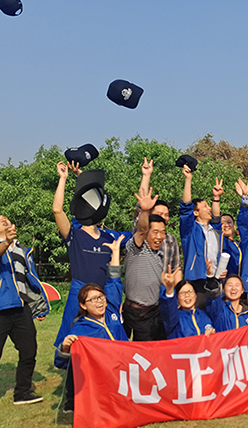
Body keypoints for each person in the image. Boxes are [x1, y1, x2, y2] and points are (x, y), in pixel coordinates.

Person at [52, 161, 131, 350]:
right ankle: (67, 365)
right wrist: (63, 178)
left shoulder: (109, 237)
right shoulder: (74, 235)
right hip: (80, 292)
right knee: (70, 339)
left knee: (109, 338)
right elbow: (57, 210)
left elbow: (137, 236)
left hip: (105, 294)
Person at [56, 236, 128, 413]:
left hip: (122, 369)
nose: (99, 302)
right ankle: (72, 401)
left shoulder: (111, 309)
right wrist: (65, 348)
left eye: (101, 297)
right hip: (100, 378)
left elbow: (114, 280)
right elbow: (60, 363)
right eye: (93, 299)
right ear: (83, 305)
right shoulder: (80, 329)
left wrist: (115, 252)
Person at [0, 215, 48, 405]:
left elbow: (29, 280)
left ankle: (22, 393)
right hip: (1, 310)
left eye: (6, 219)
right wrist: (5, 241)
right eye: (0, 220)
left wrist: (38, 306)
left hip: (21, 308)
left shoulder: (22, 250)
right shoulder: (4, 245)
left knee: (29, 351)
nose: (5, 221)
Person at [122, 187, 169, 341]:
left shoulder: (160, 254)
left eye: (163, 232)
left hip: (154, 312)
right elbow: (141, 230)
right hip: (134, 311)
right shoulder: (136, 247)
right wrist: (145, 210)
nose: (160, 237)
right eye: (155, 232)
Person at [179, 165, 223, 295]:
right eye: (205, 206)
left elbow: (216, 218)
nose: (209, 208)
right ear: (196, 212)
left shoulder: (214, 230)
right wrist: (188, 179)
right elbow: (185, 208)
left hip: (215, 278)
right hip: (196, 278)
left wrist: (216, 197)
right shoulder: (190, 229)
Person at [135, 158, 181, 275]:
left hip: (165, 285)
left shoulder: (171, 240)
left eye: (166, 215)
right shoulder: (142, 234)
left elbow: (176, 269)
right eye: (159, 214)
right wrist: (146, 176)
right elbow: (142, 204)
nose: (163, 217)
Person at [160, 265, 215, 339]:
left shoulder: (206, 315)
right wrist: (169, 289)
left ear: (196, 295)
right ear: (177, 297)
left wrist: (212, 335)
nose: (187, 295)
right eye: (182, 293)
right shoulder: (175, 319)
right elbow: (168, 311)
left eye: (190, 291)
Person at [204, 259, 248, 331]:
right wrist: (210, 277)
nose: (233, 288)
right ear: (223, 290)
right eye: (230, 285)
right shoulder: (219, 308)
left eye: (237, 285)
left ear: (242, 290)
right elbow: (213, 294)